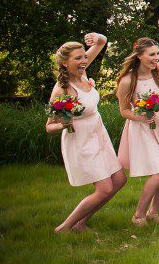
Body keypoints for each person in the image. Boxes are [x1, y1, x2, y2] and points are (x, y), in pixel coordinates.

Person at [46, 33, 126, 233]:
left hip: (98, 134)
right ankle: (64, 227)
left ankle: (81, 223)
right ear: (65, 63)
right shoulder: (62, 89)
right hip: (81, 141)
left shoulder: (81, 72)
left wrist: (96, 37)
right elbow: (49, 126)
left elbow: (102, 41)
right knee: (104, 188)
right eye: (78, 58)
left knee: (119, 180)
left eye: (84, 57)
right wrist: (64, 123)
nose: (84, 61)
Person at [115, 37, 159, 225]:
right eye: (151, 54)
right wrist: (142, 117)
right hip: (143, 128)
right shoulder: (127, 81)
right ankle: (139, 215)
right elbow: (124, 111)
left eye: (157, 53)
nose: (156, 58)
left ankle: (154, 212)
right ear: (140, 56)